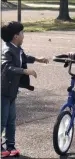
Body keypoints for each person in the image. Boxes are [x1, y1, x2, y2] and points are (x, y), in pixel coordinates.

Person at [1, 21, 49, 157]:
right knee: (2, 120)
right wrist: (24, 71)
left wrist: (38, 59)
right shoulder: (7, 50)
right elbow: (6, 67)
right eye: (22, 33)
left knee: (11, 120)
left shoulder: (17, 49)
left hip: (12, 91)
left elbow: (24, 57)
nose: (24, 36)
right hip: (3, 92)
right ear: (16, 36)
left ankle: (10, 145)